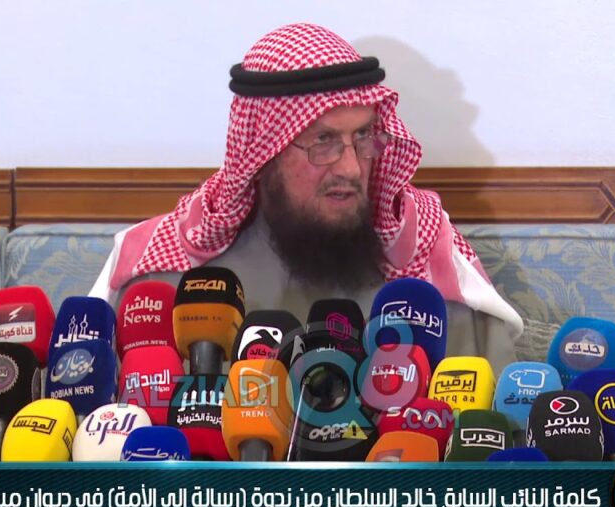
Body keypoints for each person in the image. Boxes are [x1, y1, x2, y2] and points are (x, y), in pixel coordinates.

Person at [90, 22, 523, 374]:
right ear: (264, 153)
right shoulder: (160, 278)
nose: (351, 168)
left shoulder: (427, 261)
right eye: (323, 141)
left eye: (364, 137)